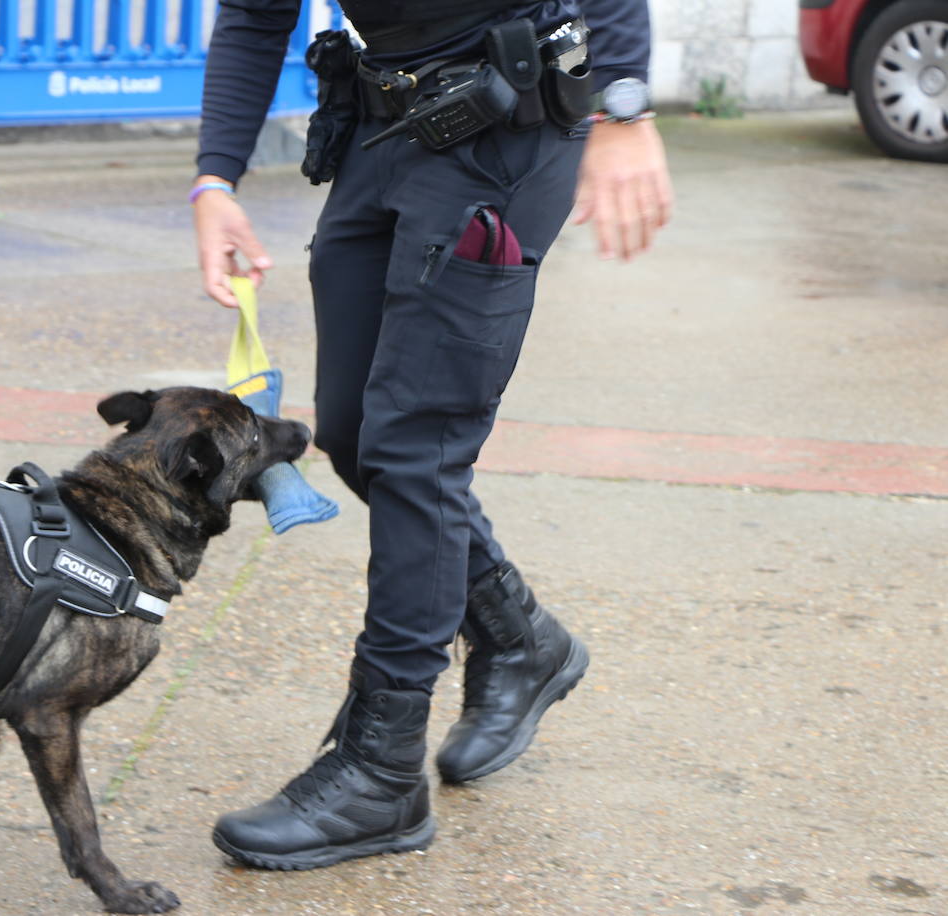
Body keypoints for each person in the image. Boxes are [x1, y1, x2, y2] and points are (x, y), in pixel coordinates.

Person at [192, 0, 673, 870]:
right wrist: (214, 182)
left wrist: (624, 107)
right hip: (392, 123)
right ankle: (518, 637)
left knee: (417, 445)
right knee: (352, 430)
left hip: (507, 127)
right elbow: (255, 15)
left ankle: (381, 771)